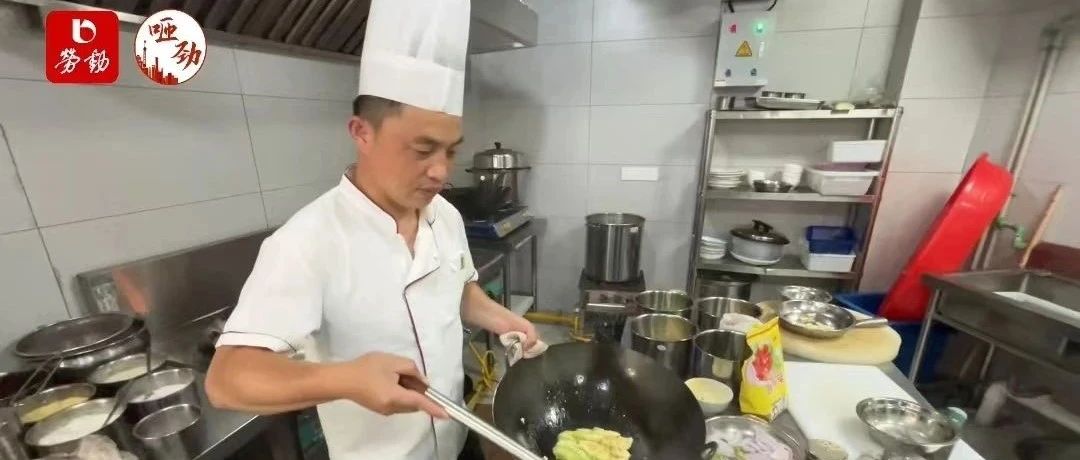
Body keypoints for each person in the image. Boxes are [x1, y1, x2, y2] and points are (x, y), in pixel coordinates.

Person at [204, 0, 543, 458]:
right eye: (422, 150)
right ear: (362, 132)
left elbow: (456, 288)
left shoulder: (444, 215)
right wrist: (346, 378)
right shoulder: (306, 243)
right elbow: (227, 380)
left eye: (451, 151)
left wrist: (501, 319)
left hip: (458, 440)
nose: (441, 171)